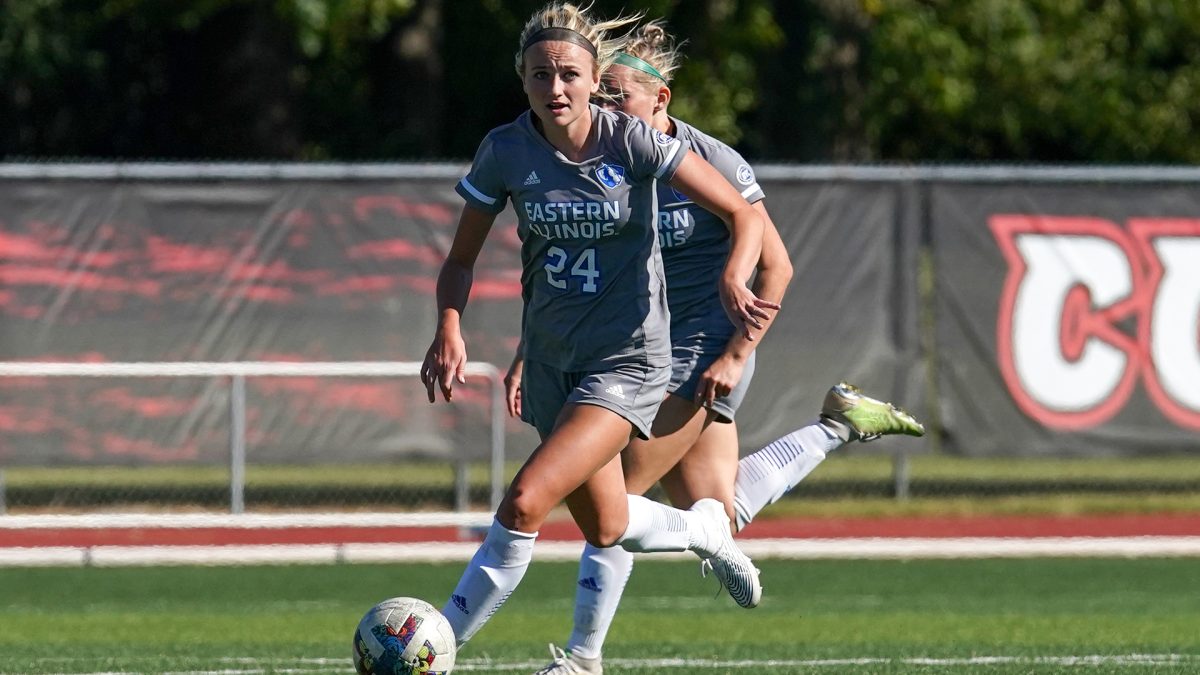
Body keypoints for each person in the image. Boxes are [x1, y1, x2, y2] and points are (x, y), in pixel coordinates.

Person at [508, 20, 926, 675]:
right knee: (716, 506)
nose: (607, 108)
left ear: (660, 100)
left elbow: (777, 267)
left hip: (700, 349)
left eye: (620, 95)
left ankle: (584, 657)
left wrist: (735, 353)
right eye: (603, 95)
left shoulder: (711, 162)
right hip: (638, 348)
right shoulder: (599, 161)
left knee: (616, 494)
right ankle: (835, 426)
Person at [420, 2, 784, 652]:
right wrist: (451, 324)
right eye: (539, 75)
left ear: (593, 80)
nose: (554, 88)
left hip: (627, 361)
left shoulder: (631, 141)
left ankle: (438, 646)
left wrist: (734, 274)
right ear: (522, 80)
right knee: (608, 524)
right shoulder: (505, 151)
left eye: (568, 74)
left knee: (526, 499)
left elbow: (743, 214)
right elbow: (460, 259)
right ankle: (704, 530)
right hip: (556, 359)